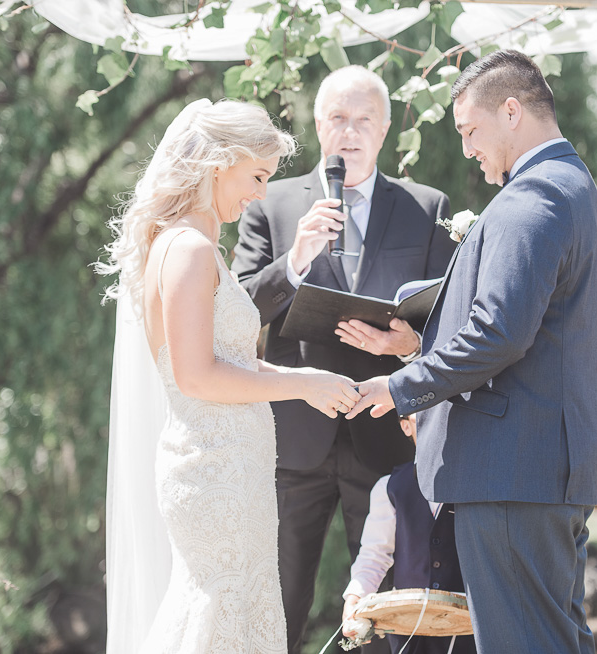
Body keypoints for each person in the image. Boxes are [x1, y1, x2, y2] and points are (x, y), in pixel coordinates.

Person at [349, 50, 597, 654]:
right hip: (542, 467)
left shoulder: (532, 199)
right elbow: (535, 335)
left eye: (470, 130)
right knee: (555, 641)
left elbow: (497, 334)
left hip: (512, 472)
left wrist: (397, 386)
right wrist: (420, 343)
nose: (467, 148)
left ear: (512, 111)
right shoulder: (572, 186)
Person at [100, 99, 361, 654]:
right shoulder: (190, 249)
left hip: (225, 469)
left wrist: (309, 376)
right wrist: (302, 384)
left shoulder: (187, 245)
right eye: (258, 175)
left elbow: (228, 362)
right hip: (215, 473)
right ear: (220, 161)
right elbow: (198, 376)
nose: (261, 193)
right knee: (217, 618)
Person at [232, 65, 457, 654]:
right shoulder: (271, 203)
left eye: (364, 120)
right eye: (338, 118)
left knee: (385, 608)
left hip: (385, 439)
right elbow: (235, 313)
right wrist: (296, 262)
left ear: (384, 131)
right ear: (317, 125)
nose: (350, 133)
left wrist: (405, 345)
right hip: (293, 443)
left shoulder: (427, 208)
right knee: (278, 602)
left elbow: (451, 329)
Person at [341, 415, 477, 654]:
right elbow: (374, 555)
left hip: (466, 628)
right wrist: (354, 597)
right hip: (408, 630)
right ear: (406, 426)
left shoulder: (476, 484)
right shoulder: (389, 487)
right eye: (424, 418)